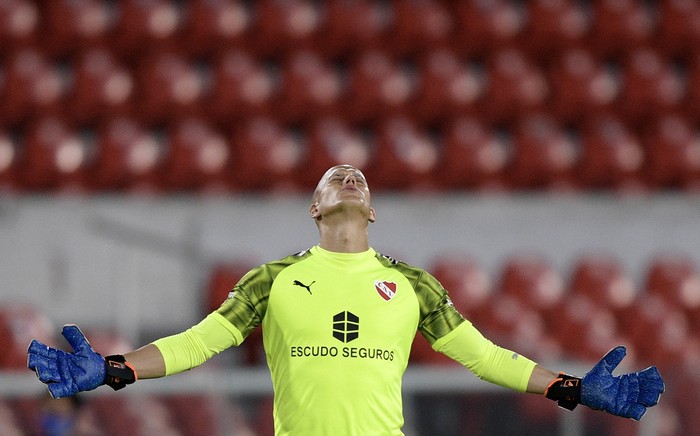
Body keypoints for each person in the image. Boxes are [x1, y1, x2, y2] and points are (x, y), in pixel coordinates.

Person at [28, 164, 664, 435]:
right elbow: (199, 342)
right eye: (333, 177)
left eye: (356, 177)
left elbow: (486, 356)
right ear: (315, 208)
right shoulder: (270, 279)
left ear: (373, 209)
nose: (348, 174)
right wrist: (116, 369)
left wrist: (573, 388)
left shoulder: (415, 284)